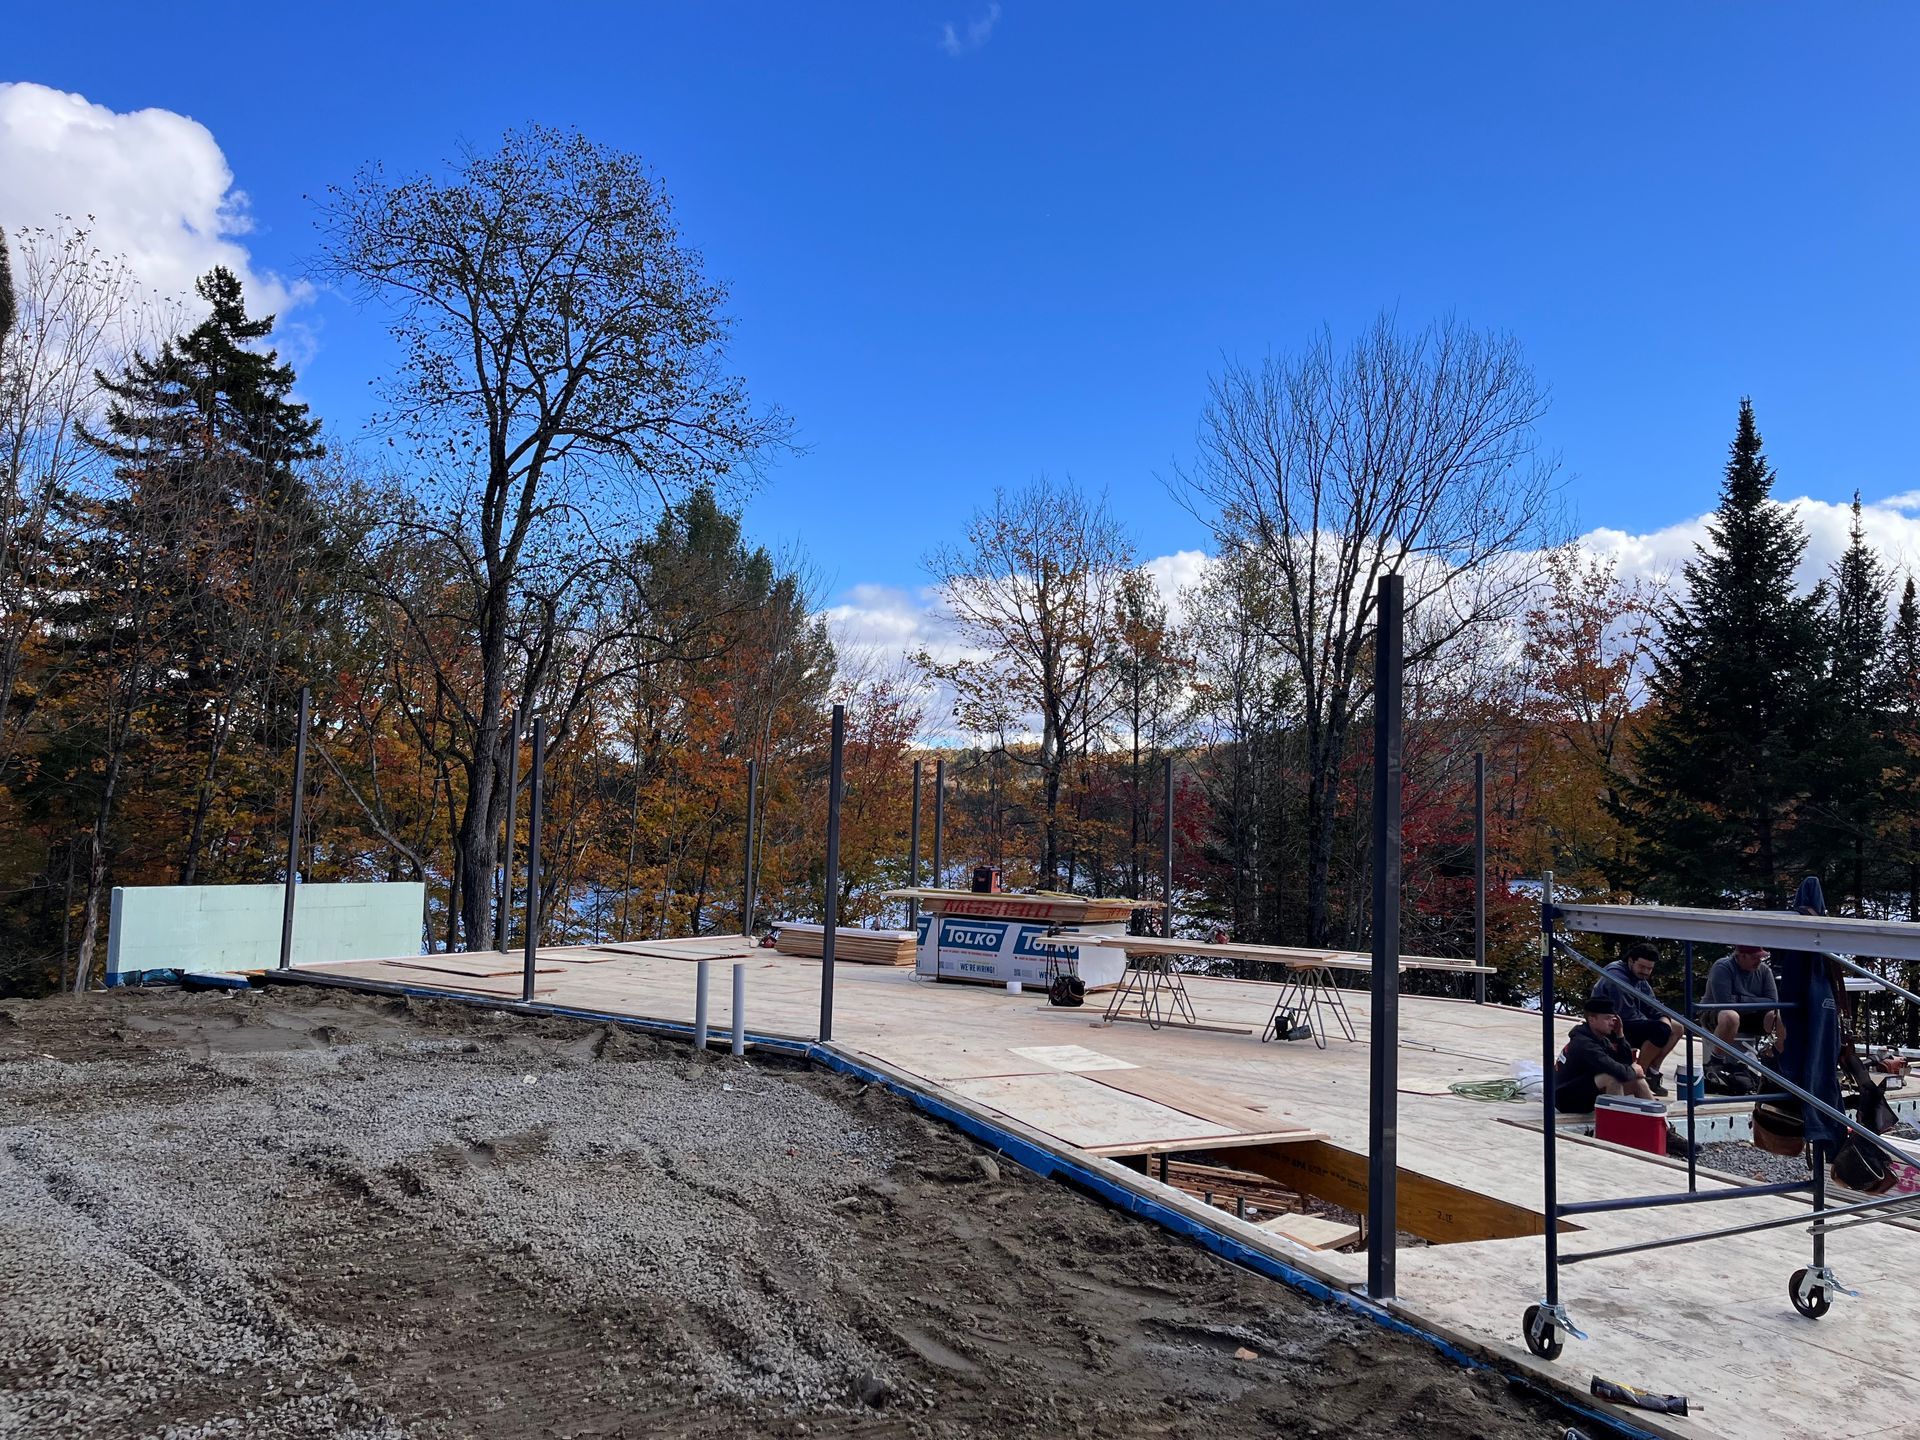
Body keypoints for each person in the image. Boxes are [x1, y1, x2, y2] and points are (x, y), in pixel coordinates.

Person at [1593, 941, 1681, 1095]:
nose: (1646, 972)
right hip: (1610, 1026)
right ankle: (1640, 1074)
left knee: (1677, 1027)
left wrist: (1663, 1017)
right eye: (1642, 967)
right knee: (1660, 1030)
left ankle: (1653, 1071)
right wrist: (1661, 1022)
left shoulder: (1638, 978)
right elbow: (1628, 1015)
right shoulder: (1617, 977)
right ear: (1631, 961)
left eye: (1650, 968)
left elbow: (1652, 1004)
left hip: (1627, 1022)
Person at [1555, 995, 1653, 1113]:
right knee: (1612, 1078)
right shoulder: (1584, 1044)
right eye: (1607, 1018)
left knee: (1638, 1082)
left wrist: (1620, 1036)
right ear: (1592, 1020)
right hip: (1566, 1099)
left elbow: (1624, 1063)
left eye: (1613, 1018)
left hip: (1584, 1090)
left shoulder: (1600, 1038)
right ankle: (1617, 1125)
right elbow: (1618, 1071)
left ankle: (1661, 1125)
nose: (1612, 1022)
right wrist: (1634, 1070)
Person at [1702, 944, 1781, 1048]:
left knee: (1778, 1016)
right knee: (1730, 1016)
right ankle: (1716, 1059)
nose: (1758, 961)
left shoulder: (1765, 970)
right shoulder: (1722, 966)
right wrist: (1758, 1002)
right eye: (1754, 958)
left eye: (1760, 958)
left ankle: (1777, 1054)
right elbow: (1724, 1004)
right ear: (1742, 956)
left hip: (1750, 1014)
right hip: (1714, 1014)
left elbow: (1773, 1002)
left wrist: (1739, 999)